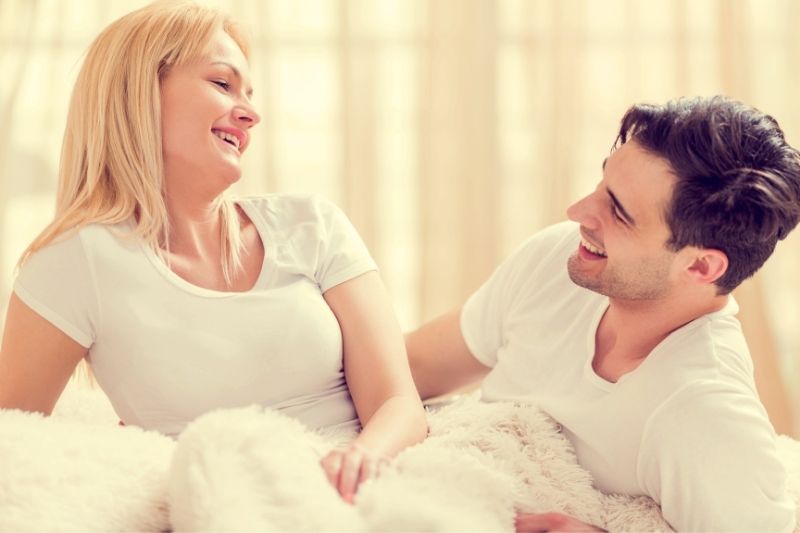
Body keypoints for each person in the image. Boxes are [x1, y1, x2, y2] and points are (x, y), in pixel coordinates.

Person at [0, 0, 427, 504]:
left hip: (370, 487)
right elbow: (15, 440)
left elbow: (399, 403)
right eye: (222, 84)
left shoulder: (312, 225)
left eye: (249, 93)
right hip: (238, 506)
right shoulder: (75, 262)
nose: (251, 112)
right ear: (140, 94)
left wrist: (362, 461)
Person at [406, 96, 800, 532]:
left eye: (618, 211)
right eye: (602, 183)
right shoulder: (559, 259)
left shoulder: (705, 414)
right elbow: (414, 366)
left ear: (699, 267)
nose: (578, 213)